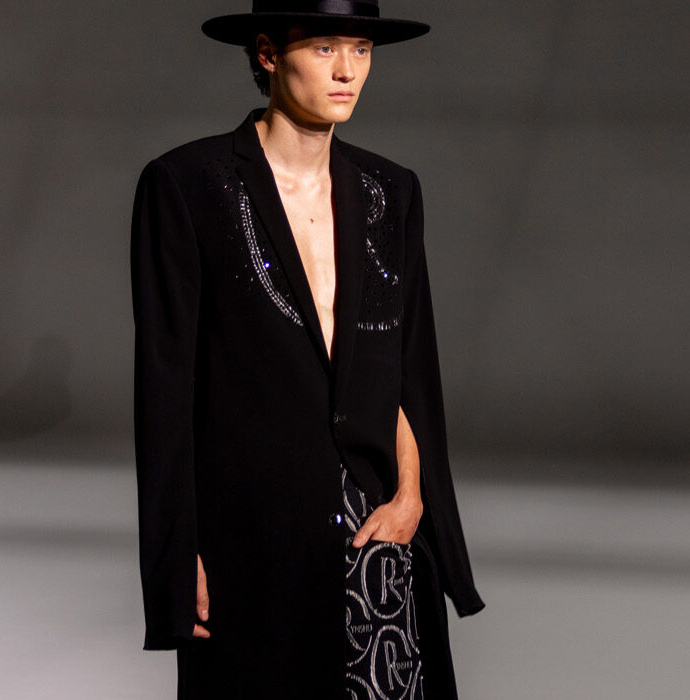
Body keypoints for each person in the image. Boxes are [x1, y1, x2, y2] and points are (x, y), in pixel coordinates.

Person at [130, 2, 484, 697]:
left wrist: (411, 498)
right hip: (250, 537)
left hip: (376, 534)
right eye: (324, 48)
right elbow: (166, 389)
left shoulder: (390, 191)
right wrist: (176, 555)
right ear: (267, 54)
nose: (347, 70)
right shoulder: (188, 185)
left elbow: (407, 369)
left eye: (361, 49)